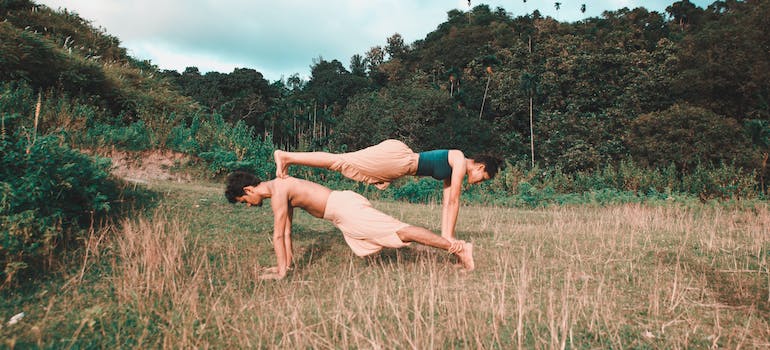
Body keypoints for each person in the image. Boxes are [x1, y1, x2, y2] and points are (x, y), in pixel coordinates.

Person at [225, 171, 474, 280]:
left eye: (244, 200)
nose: (248, 204)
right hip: (341, 213)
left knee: (401, 231)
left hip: (344, 209)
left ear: (248, 189)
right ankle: (457, 248)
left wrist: (279, 273)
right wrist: (284, 267)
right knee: (398, 233)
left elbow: (278, 236)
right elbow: (287, 232)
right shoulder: (279, 189)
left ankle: (459, 248)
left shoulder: (278, 190)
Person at [273, 139, 501, 241]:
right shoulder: (459, 160)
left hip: (397, 165)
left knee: (346, 165)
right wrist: (449, 238)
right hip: (398, 160)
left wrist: (446, 236)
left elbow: (447, 204)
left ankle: (288, 157)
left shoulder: (453, 171)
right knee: (339, 162)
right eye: (484, 177)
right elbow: (454, 202)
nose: (480, 181)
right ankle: (286, 156)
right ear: (480, 166)